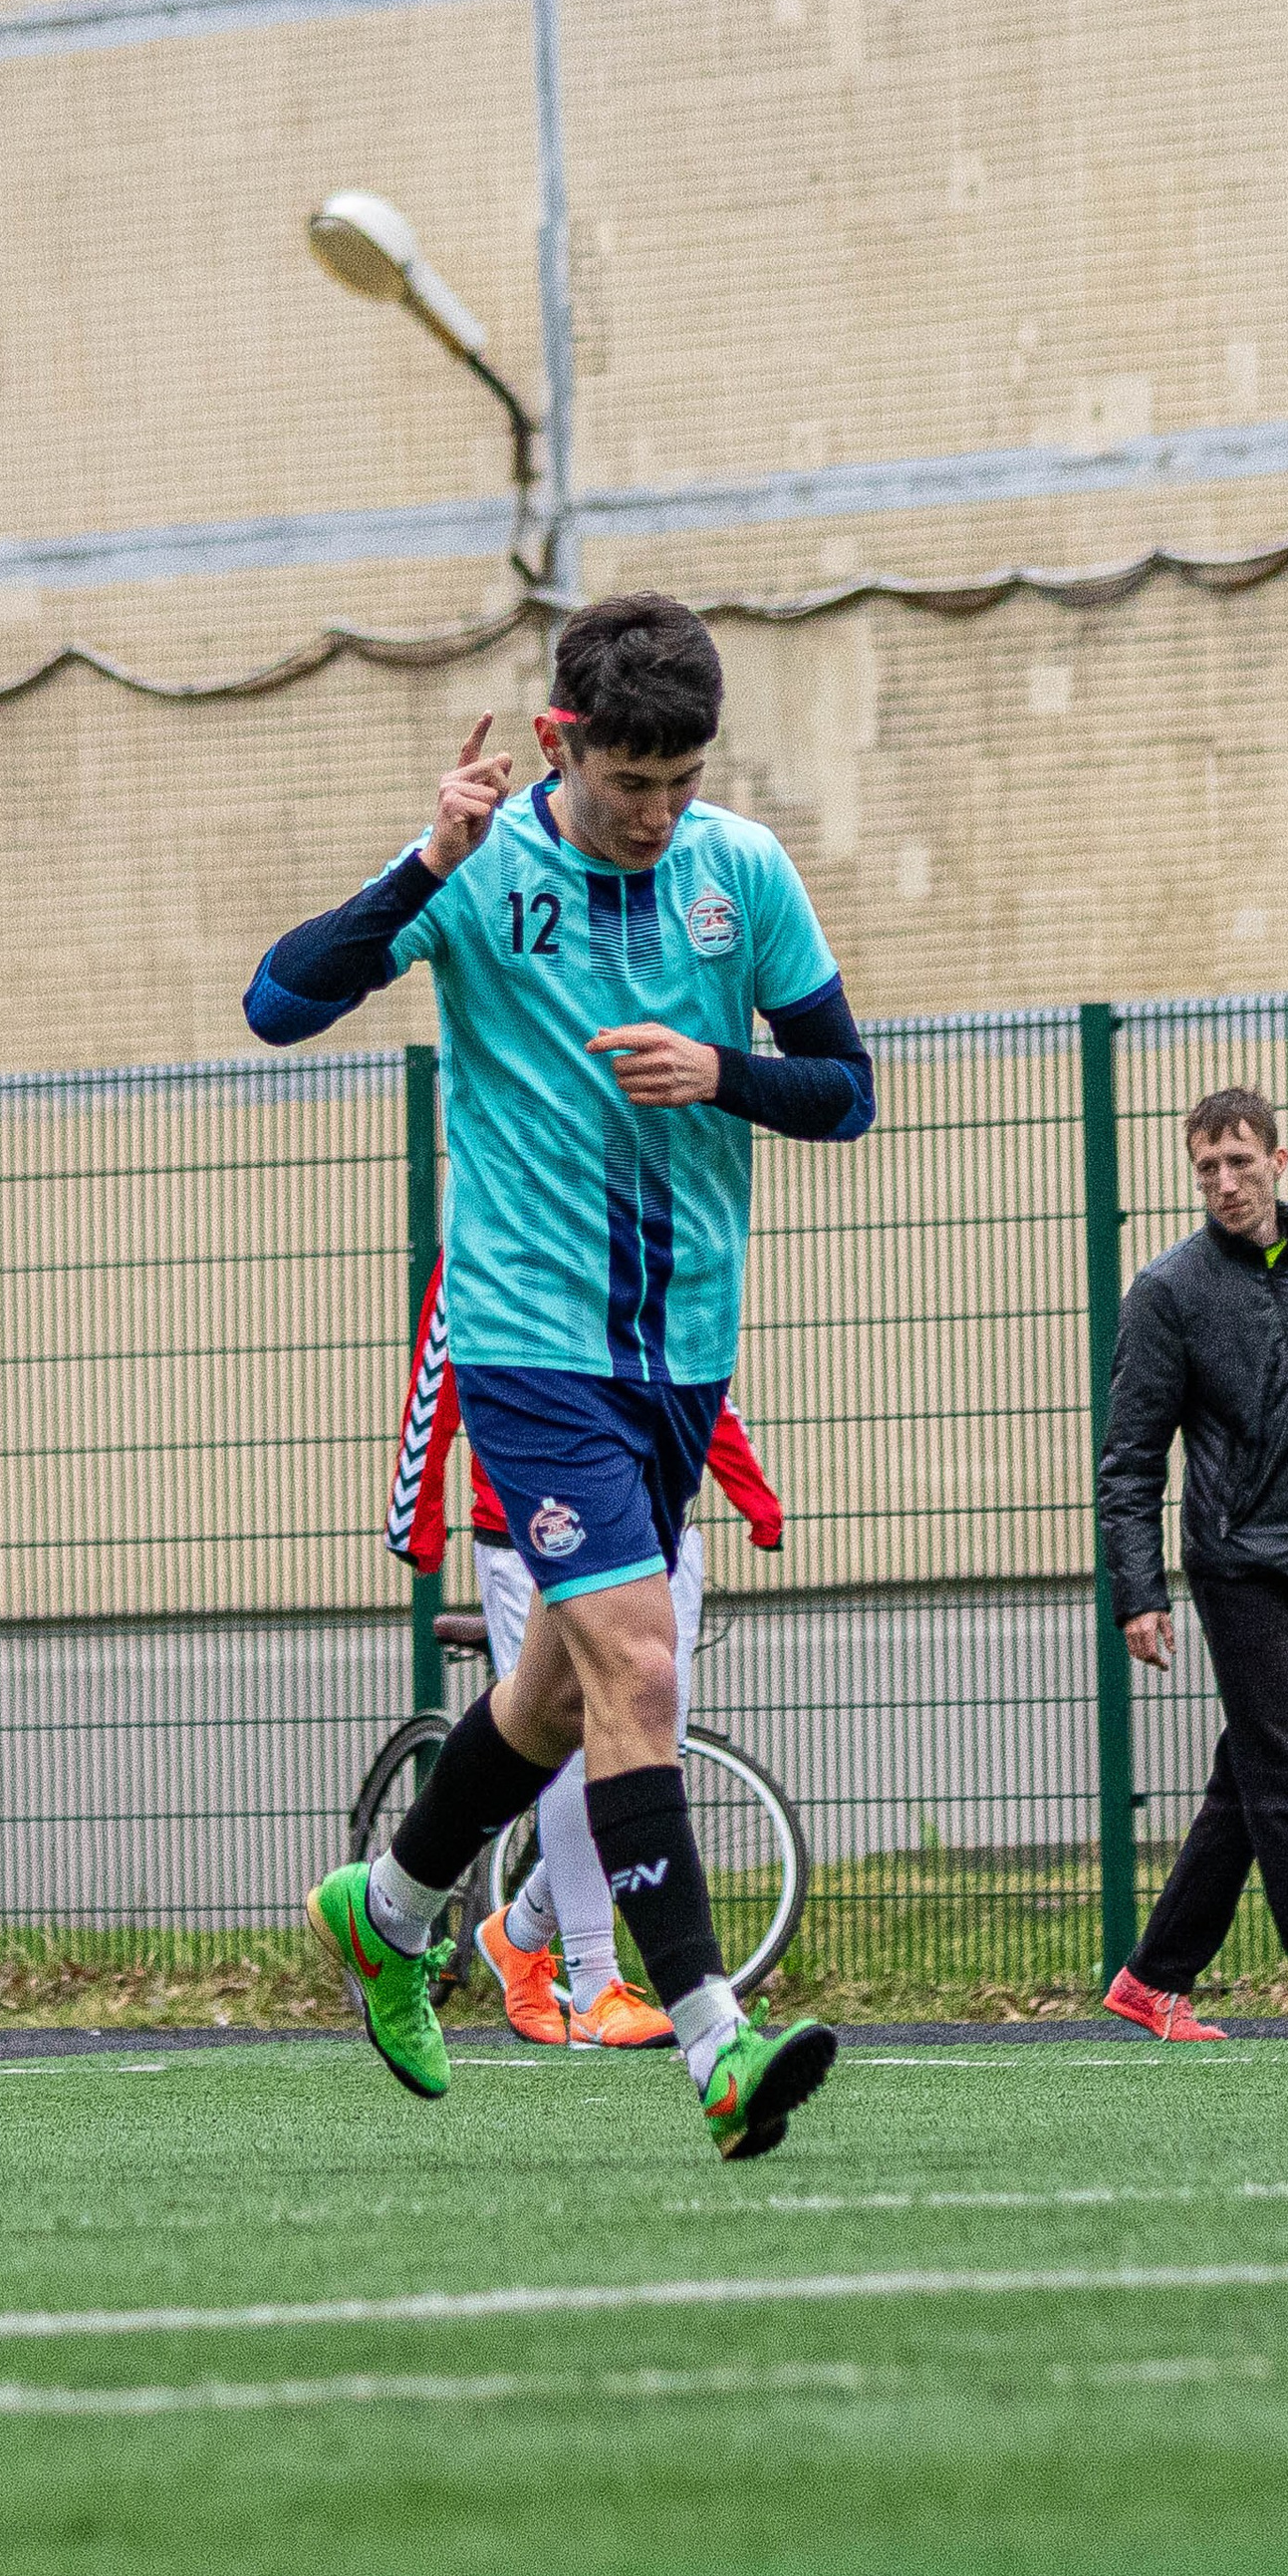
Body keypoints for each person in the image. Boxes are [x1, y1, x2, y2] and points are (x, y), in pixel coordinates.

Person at [249, 588, 874, 2159]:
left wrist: (723, 1070)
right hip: (526, 1345)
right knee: (644, 1671)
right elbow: (277, 1004)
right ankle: (714, 2044)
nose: (658, 815)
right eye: (628, 784)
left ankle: (391, 1910)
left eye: (681, 782)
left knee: (552, 1691)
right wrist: (425, 861)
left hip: (682, 1360)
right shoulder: (480, 871)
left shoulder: (744, 875)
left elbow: (848, 1090)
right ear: (561, 741)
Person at [389, 1250, 786, 2043]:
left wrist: (750, 1491)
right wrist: (418, 1516)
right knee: (575, 1740)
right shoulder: (498, 1222)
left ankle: (520, 1929)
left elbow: (691, 1379)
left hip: (647, 1519)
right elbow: (438, 1372)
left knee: (646, 1748)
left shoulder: (637, 1230)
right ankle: (598, 1984)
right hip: (523, 1528)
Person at [1094, 1088, 1288, 2044]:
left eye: (1239, 1162)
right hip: (1236, 1564)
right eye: (1206, 1167)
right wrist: (1138, 1593)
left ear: (1280, 1161)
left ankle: (1153, 1980)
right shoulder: (1168, 1292)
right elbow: (1131, 1455)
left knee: (1247, 1774)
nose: (1224, 1183)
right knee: (1282, 1765)